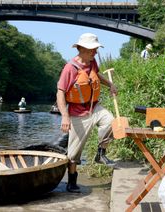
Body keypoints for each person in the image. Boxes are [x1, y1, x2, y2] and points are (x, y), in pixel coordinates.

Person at [56, 33, 117, 193]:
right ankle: (71, 182)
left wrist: (110, 84)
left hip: (94, 107)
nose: (95, 52)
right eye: (92, 49)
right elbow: (60, 92)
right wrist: (65, 116)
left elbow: (96, 76)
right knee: (74, 153)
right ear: (81, 49)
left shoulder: (92, 62)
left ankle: (101, 153)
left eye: (96, 49)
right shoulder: (70, 68)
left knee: (110, 121)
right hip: (77, 112)